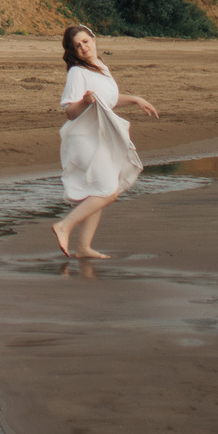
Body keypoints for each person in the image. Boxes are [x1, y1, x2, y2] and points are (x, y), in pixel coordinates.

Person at [51, 24, 160, 258]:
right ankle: (64, 226)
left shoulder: (99, 66)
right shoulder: (77, 72)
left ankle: (83, 248)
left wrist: (136, 99)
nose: (83, 47)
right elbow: (70, 111)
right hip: (83, 138)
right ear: (73, 51)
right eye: (77, 46)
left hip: (98, 136)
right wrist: (85, 102)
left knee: (98, 191)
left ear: (93, 39)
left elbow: (109, 98)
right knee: (108, 191)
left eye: (85, 42)